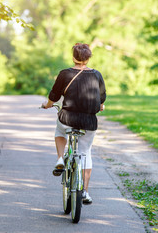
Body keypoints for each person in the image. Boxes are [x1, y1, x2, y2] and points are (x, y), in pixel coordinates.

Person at [42, 43, 106, 204]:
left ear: (73, 57)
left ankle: (59, 159)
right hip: (88, 122)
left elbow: (54, 95)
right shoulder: (97, 75)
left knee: (60, 132)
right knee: (85, 153)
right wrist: (101, 105)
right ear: (89, 57)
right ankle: (84, 192)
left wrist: (47, 104)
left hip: (67, 119)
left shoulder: (65, 74)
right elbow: (102, 97)